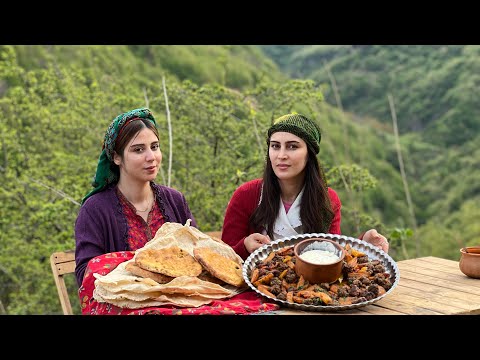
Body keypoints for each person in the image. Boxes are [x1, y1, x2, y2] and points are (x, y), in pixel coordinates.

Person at [221, 113, 389, 260]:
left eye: (292, 146)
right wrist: (244, 246)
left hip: (308, 289)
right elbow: (223, 258)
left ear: (309, 154)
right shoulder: (246, 195)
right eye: (275, 146)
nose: (281, 155)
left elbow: (331, 255)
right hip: (253, 289)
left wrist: (363, 245)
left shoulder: (327, 200)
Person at [74, 107, 196, 287]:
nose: (151, 157)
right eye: (138, 150)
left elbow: (196, 255)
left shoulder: (174, 200)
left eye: (154, 147)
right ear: (117, 157)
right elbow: (87, 275)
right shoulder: (95, 209)